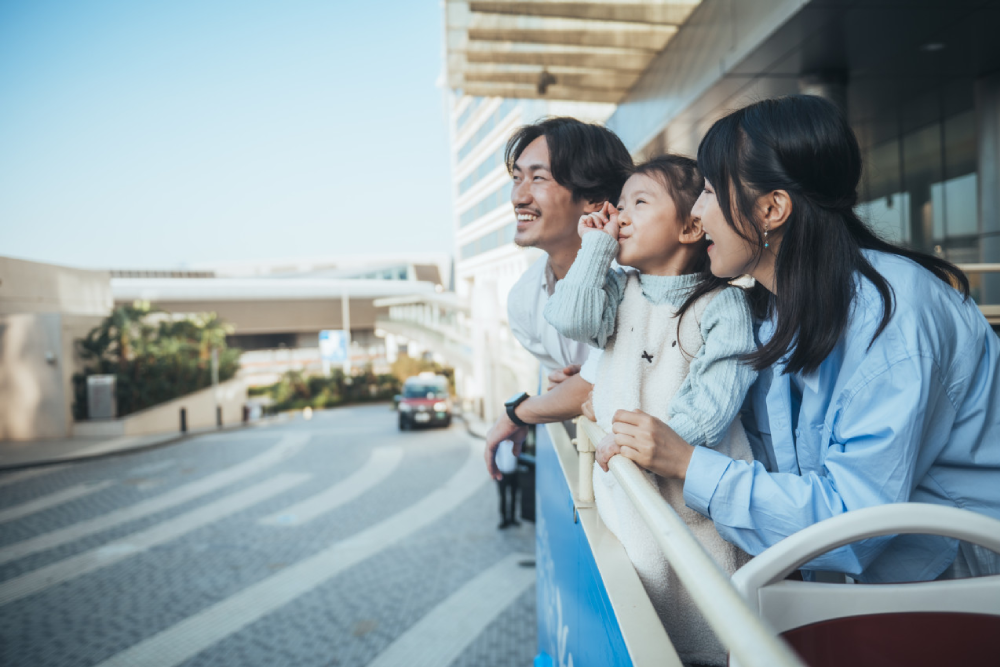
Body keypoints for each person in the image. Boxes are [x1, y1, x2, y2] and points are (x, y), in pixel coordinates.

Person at [600, 94, 1000, 583]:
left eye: (709, 191)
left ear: (772, 208)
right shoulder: (775, 304)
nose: (698, 213)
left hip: (955, 592)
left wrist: (688, 464)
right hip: (868, 585)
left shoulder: (893, 318)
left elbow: (854, 527)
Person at [544, 156, 757, 666]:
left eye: (640, 202)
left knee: (699, 628)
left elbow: (712, 405)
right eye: (620, 205)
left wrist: (648, 445)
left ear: (690, 226)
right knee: (636, 617)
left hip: (689, 502)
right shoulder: (618, 291)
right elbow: (568, 318)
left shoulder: (723, 305)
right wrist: (596, 249)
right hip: (625, 492)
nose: (621, 215)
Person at [484, 117, 633, 479]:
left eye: (538, 178)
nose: (519, 196)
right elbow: (574, 391)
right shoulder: (523, 302)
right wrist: (560, 396)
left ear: (594, 198)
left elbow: (599, 384)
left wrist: (519, 413)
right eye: (517, 177)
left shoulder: (642, 276)